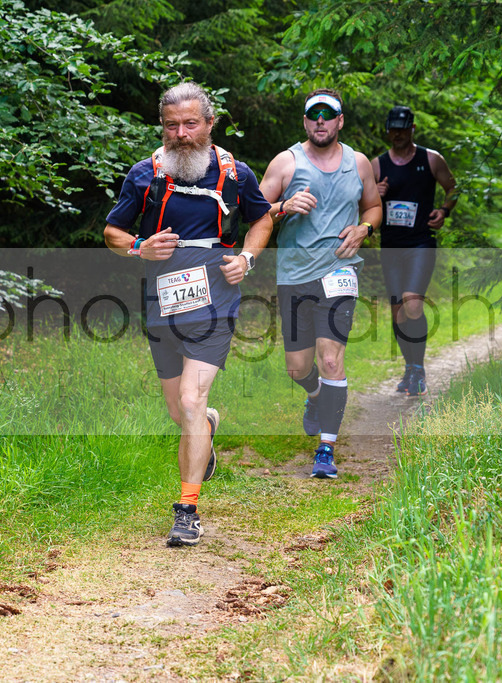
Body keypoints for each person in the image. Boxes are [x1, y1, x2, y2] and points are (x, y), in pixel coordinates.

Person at [104, 82, 273, 546]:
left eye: (190, 124)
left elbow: (262, 218)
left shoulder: (236, 174)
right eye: (171, 125)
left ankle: (187, 510)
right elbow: (112, 232)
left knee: (193, 403)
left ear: (209, 124)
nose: (181, 133)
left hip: (216, 304)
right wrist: (140, 246)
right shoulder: (145, 175)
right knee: (183, 412)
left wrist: (247, 259)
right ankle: (207, 426)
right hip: (162, 305)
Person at [259, 88, 382, 479]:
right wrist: (283, 207)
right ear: (306, 121)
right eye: (315, 115)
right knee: (298, 368)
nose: (321, 121)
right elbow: (256, 213)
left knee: (331, 359)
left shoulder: (358, 163)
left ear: (340, 120)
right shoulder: (286, 162)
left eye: (329, 115)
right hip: (294, 275)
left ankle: (326, 448)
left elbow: (373, 206)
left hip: (340, 272)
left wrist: (364, 228)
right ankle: (315, 397)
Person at [371, 106, 458, 397]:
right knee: (398, 312)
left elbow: (452, 188)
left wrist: (444, 211)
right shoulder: (377, 165)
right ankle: (410, 366)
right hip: (391, 246)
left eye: (403, 129)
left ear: (412, 128)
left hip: (421, 242)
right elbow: (362, 204)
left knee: (412, 303)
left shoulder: (431, 159)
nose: (398, 134)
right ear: (388, 130)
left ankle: (418, 369)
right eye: (393, 129)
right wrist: (375, 194)